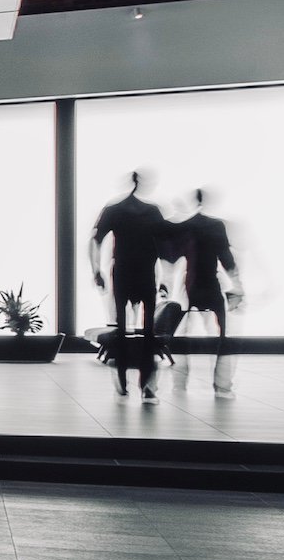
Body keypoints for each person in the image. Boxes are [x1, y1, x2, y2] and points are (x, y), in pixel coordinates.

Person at [89, 169, 167, 399]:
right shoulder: (151, 212)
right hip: (144, 272)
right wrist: (164, 279)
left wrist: (97, 271)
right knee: (149, 331)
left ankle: (123, 381)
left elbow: (95, 239)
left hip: (123, 271)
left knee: (121, 329)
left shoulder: (115, 210)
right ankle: (147, 384)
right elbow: (163, 246)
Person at [168, 187, 241, 395]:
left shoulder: (186, 226)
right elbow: (226, 258)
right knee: (221, 333)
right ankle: (222, 385)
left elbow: (172, 256)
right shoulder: (216, 226)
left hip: (190, 284)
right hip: (210, 282)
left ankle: (179, 383)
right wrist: (237, 284)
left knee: (182, 332)